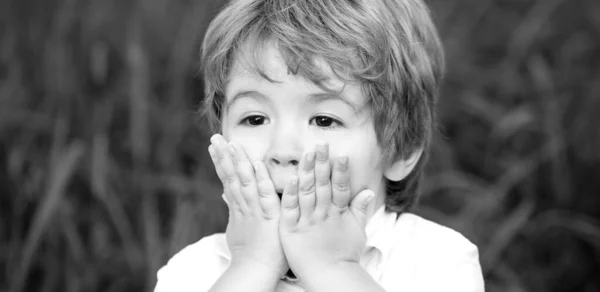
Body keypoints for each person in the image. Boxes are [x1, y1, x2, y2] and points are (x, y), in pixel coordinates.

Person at [154, 0, 485, 291]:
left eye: (325, 120)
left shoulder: (438, 260)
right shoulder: (194, 271)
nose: (283, 152)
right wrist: (252, 265)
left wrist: (332, 269)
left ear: (401, 146)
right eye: (255, 119)